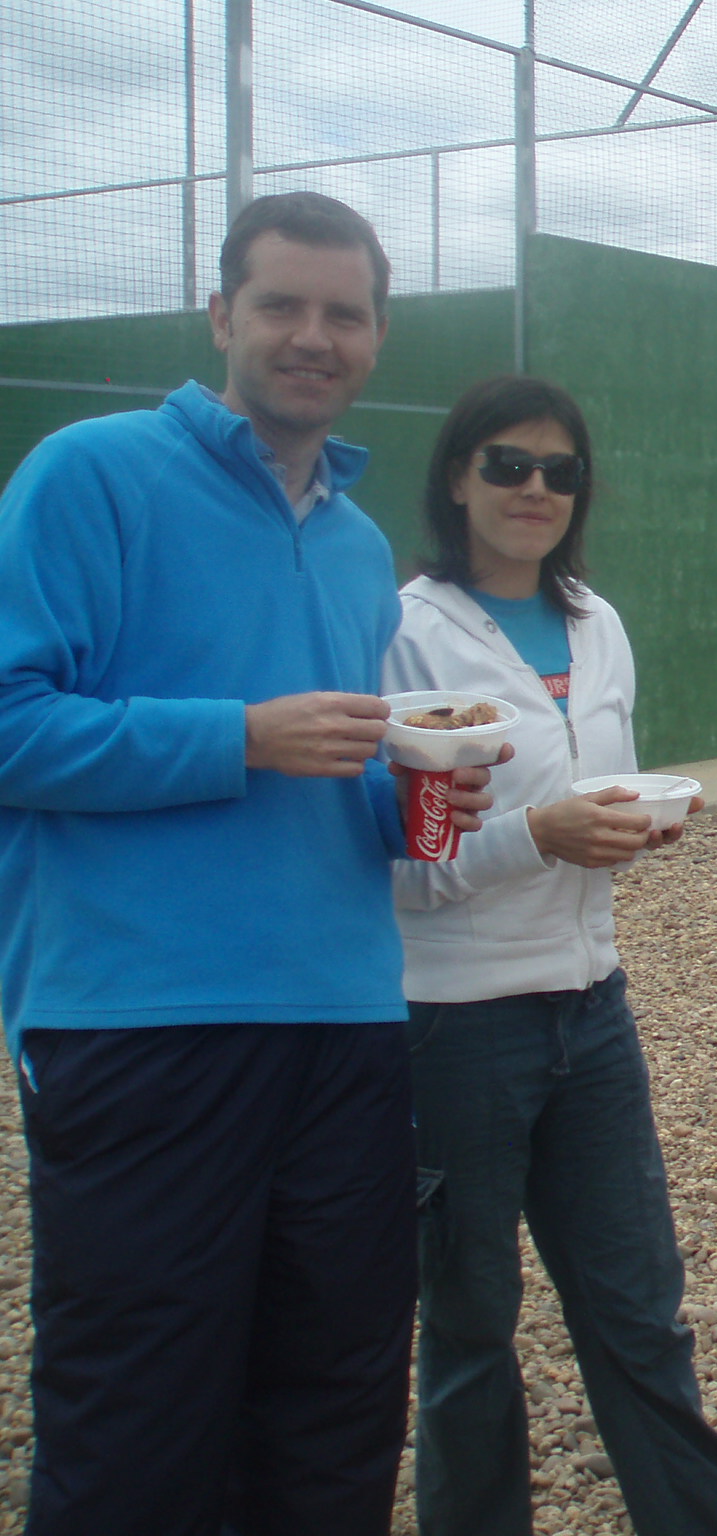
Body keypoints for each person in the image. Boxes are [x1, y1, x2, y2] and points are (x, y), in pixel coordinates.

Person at [0, 191, 496, 1535]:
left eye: (345, 313)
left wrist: (430, 798)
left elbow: (352, 805)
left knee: (334, 1418)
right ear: (220, 315)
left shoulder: (353, 544)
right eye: (281, 305)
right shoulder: (90, 474)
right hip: (139, 1022)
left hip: (346, 1026)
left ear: (378, 338)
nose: (312, 336)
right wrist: (239, 736)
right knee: (136, 1427)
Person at [383, 375, 717, 1536]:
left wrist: (628, 828)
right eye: (507, 465)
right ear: (456, 478)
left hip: (591, 1011)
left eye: (559, 471)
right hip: (457, 1025)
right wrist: (537, 835)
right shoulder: (405, 633)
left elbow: (597, 794)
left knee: (638, 1312)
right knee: (469, 1326)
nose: (535, 489)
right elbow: (403, 867)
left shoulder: (595, 625)